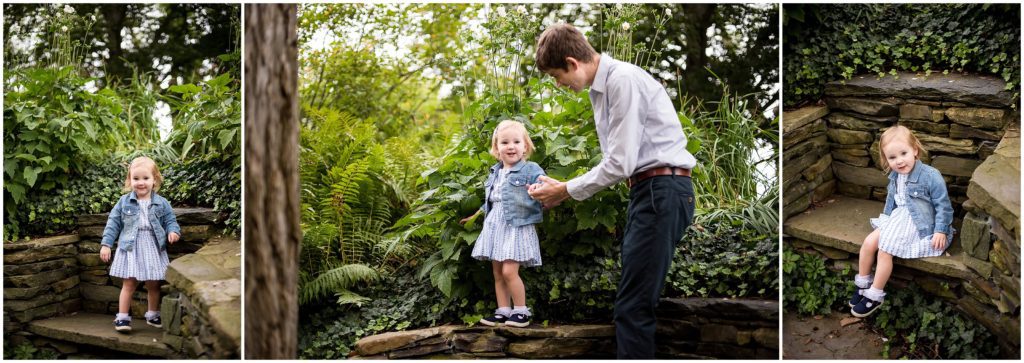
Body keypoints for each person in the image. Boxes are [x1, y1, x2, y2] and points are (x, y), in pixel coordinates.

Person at [527, 23, 696, 358]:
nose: (558, 84)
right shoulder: (600, 89)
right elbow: (619, 162)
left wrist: (565, 190)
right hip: (649, 192)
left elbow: (619, 162)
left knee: (633, 308)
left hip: (661, 191)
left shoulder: (622, 80)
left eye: (556, 76)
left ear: (572, 63)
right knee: (633, 302)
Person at [850, 125, 954, 317]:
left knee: (884, 250)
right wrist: (886, 220)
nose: (899, 161)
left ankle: (875, 295)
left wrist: (941, 230)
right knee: (868, 242)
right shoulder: (895, 175)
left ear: (915, 150)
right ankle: (862, 285)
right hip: (898, 218)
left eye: (903, 153)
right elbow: (892, 201)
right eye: (892, 157)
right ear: (886, 159)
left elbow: (943, 206)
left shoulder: (931, 176)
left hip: (920, 223)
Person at [460, 120, 546, 328]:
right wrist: (475, 216)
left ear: (525, 146)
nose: (511, 146)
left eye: (516, 141)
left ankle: (521, 311)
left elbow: (545, 184)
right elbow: (492, 200)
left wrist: (538, 189)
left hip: (515, 225)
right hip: (495, 224)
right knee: (497, 272)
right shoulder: (495, 171)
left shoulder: (529, 169)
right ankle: (503, 310)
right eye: (504, 142)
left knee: (509, 271)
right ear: (496, 149)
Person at [100, 157, 181, 332]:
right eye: (136, 179)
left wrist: (173, 232)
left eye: (145, 178)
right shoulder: (123, 202)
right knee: (129, 283)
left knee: (153, 284)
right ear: (130, 180)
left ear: (155, 180)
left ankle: (153, 314)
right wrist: (106, 244)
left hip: (153, 245)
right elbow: (113, 223)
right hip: (131, 246)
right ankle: (122, 318)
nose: (141, 183)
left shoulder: (162, 202)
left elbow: (170, 220)